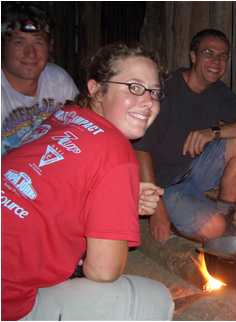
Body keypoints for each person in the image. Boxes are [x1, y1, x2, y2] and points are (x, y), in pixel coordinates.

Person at [1, 43, 174, 320]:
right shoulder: (117, 153)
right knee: (156, 299)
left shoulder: (63, 117)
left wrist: (121, 201)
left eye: (154, 92)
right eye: (134, 87)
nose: (148, 101)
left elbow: (53, 193)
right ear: (96, 88)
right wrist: (120, 196)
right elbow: (102, 271)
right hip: (7, 305)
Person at [134, 28, 236, 242]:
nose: (216, 61)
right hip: (165, 185)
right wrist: (156, 212)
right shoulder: (166, 90)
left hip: (196, 169)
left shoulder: (217, 91)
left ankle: (225, 213)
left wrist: (213, 132)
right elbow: (140, 151)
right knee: (215, 230)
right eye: (208, 53)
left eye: (223, 56)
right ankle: (180, 221)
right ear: (193, 56)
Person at [1, 3, 79, 155]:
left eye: (38, 42)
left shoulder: (58, 80)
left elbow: (81, 129)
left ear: (50, 46)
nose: (30, 53)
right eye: (19, 42)